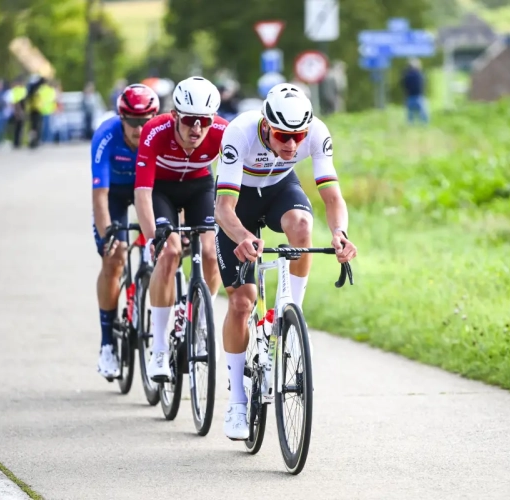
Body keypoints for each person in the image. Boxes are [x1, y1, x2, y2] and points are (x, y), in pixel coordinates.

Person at [214, 83, 358, 440]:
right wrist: (244, 237)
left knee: (302, 226)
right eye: (282, 135)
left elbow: (332, 196)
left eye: (298, 136)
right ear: (265, 125)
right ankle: (237, 400)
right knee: (241, 302)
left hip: (280, 188)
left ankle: (291, 312)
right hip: (239, 198)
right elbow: (223, 209)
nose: (292, 145)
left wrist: (340, 232)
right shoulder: (239, 133)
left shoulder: (317, 133)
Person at [134, 76, 228, 382]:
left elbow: (233, 185)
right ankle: (159, 349)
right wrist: (153, 238)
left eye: (204, 121)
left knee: (212, 253)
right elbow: (143, 193)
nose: (197, 129)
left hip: (199, 187)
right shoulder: (155, 130)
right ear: (175, 115)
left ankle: (202, 322)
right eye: (189, 120)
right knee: (170, 252)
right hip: (161, 189)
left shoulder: (224, 133)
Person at [91, 83, 160, 379]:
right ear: (121, 118)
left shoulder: (160, 136)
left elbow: (176, 187)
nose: (139, 128)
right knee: (115, 258)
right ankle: (107, 344)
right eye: (132, 121)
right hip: (116, 194)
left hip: (151, 191)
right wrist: (108, 235)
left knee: (164, 250)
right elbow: (100, 197)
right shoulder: (106, 137)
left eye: (145, 121)